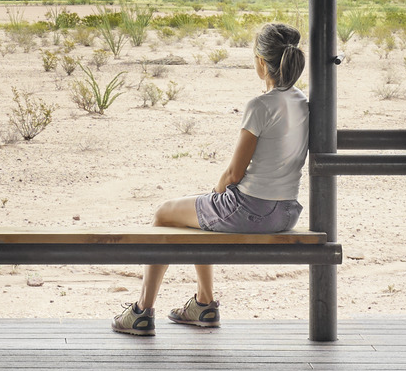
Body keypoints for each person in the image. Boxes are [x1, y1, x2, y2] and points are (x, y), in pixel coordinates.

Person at [114, 21, 311, 338]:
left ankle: (141, 311)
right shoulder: (302, 101)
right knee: (203, 212)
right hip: (286, 211)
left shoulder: (260, 105)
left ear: (261, 62)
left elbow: (234, 174)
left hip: (252, 211)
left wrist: (217, 191)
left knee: (166, 213)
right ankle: (203, 303)